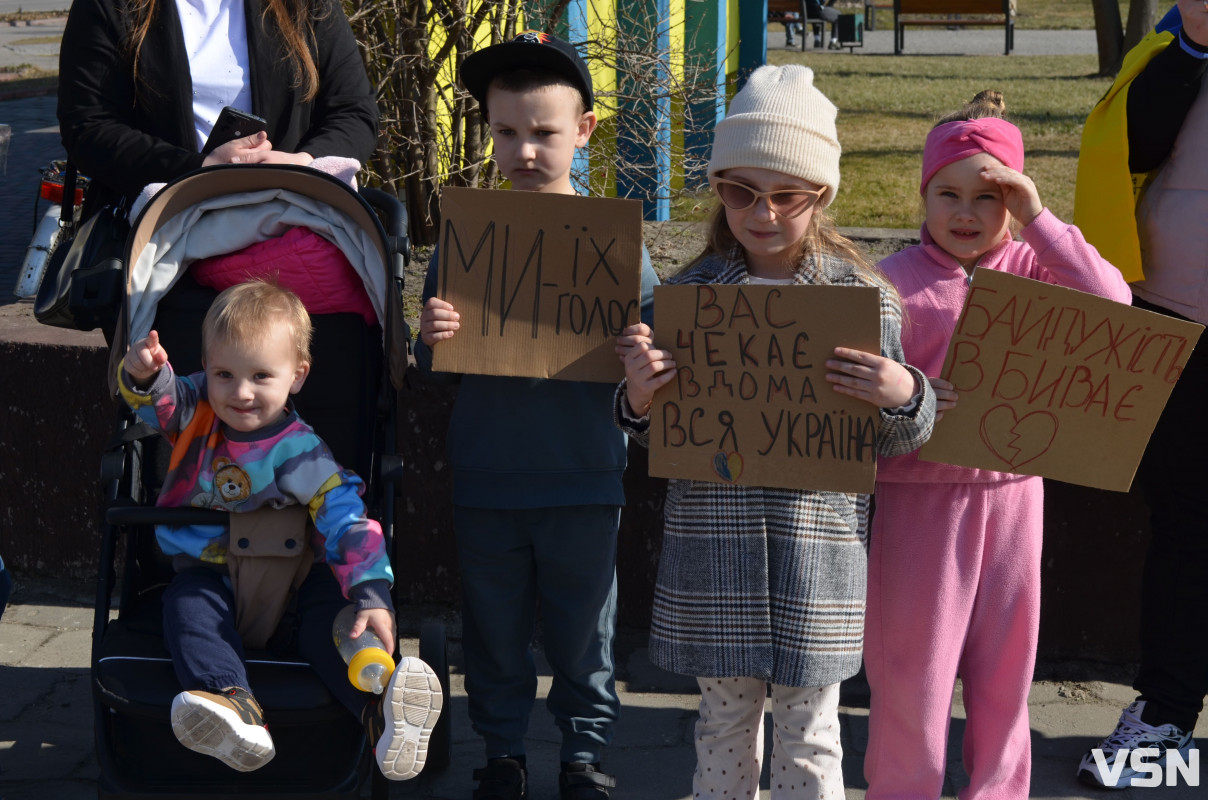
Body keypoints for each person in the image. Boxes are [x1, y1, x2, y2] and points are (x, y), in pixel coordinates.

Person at [615, 64, 936, 800]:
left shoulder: (862, 302)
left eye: (786, 194)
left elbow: (892, 439)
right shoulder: (689, 298)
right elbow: (651, 428)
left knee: (812, 734)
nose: (763, 212)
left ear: (821, 196)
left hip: (817, 558)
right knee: (722, 726)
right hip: (713, 553)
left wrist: (903, 392)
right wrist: (639, 395)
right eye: (740, 191)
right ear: (719, 189)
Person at [862, 91, 1131, 800]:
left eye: (989, 197)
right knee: (911, 677)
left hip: (1015, 501)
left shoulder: (1033, 267)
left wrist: (1041, 220)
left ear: (1013, 201)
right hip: (916, 505)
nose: (964, 213)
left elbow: (1115, 305)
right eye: (946, 194)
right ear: (923, 195)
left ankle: (1000, 792)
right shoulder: (891, 283)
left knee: (1007, 672)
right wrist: (908, 388)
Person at [413, 31, 659, 800]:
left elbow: (645, 377)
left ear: (584, 130)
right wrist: (432, 338)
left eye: (545, 132)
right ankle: (502, 754)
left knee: (586, 634)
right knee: (492, 631)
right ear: (488, 130)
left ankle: (583, 756)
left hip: (585, 475)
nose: (524, 150)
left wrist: (642, 360)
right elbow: (432, 361)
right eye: (507, 131)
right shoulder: (467, 240)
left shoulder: (617, 245)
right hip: (488, 474)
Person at [117, 280, 441, 780]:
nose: (240, 393)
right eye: (223, 374)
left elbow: (347, 520)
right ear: (205, 368)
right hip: (210, 576)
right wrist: (145, 375)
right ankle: (234, 704)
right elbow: (157, 402)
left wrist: (372, 594)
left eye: (260, 376)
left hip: (292, 582)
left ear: (297, 376)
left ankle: (380, 713)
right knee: (187, 614)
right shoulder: (195, 412)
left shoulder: (301, 451)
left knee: (337, 621)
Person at [1073, 0, 1208, 787]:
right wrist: (1192, 44)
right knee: (1188, 519)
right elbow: (1133, 146)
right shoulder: (1176, 39)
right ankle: (1163, 718)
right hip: (1176, 316)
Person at [57, 0, 378, 220]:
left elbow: (353, 111)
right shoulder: (112, 6)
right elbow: (88, 126)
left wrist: (300, 165)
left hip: (293, 225)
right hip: (162, 235)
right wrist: (196, 172)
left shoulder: (304, 5)